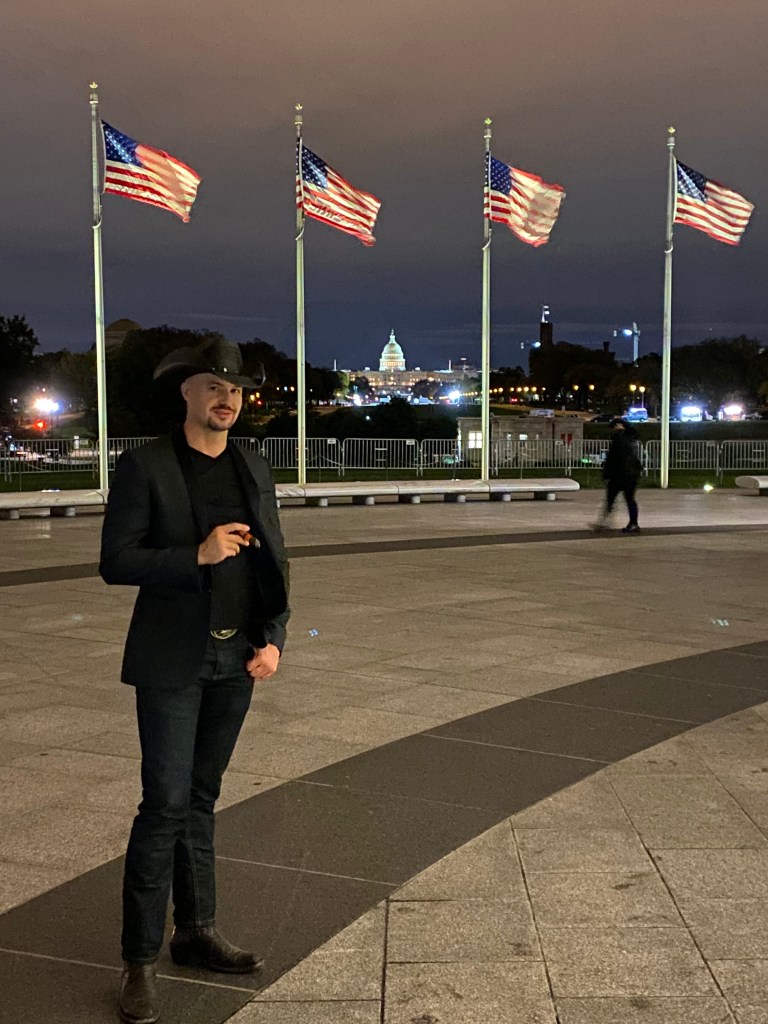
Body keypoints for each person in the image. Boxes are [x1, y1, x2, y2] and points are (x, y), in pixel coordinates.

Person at [100, 338, 290, 1024]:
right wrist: (197, 555)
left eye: (235, 389)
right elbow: (116, 560)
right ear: (186, 391)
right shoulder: (146, 465)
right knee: (164, 805)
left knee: (202, 800)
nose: (227, 399)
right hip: (172, 661)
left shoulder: (251, 463)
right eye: (214, 385)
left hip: (236, 661)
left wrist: (275, 636)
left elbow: (275, 557)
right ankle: (139, 961)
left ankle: (197, 931)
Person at [591, 418, 642, 534]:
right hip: (631, 473)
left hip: (620, 474)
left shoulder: (620, 438)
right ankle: (633, 523)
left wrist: (607, 472)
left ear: (619, 425)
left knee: (611, 498)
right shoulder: (630, 437)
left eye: (614, 426)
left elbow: (614, 457)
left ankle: (604, 522)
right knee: (629, 499)